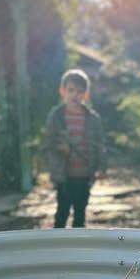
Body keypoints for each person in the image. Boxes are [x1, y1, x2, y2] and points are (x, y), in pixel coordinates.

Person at [43, 69, 106, 228]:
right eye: (70, 90)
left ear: (86, 94)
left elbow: (100, 144)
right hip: (63, 174)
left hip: (85, 173)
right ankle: (59, 242)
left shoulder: (92, 118)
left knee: (80, 213)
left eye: (79, 91)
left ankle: (78, 242)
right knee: (62, 212)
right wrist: (59, 148)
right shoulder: (56, 116)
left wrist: (101, 167)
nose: (74, 95)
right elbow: (48, 142)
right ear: (63, 91)